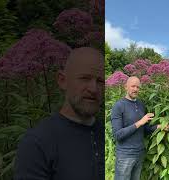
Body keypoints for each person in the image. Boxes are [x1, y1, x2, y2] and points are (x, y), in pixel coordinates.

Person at [14, 47, 104, 180]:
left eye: (100, 81)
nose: (93, 89)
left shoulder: (107, 133)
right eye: (84, 78)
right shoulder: (37, 144)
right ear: (62, 81)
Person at [111, 76, 169, 180]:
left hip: (139, 154)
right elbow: (117, 135)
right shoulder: (119, 106)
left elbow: (145, 129)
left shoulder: (141, 105)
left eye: (138, 87)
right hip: (125, 156)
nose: (135, 89)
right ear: (126, 87)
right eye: (133, 86)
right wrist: (140, 122)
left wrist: (159, 126)